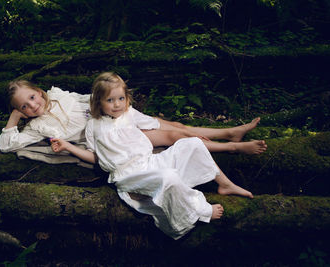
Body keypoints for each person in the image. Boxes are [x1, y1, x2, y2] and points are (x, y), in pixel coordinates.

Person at [50, 72, 253, 239]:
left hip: (149, 161)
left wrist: (189, 133)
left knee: (193, 144)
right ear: (99, 103)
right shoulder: (94, 125)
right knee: (168, 178)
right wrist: (67, 145)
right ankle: (200, 211)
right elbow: (95, 157)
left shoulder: (130, 114)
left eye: (121, 98)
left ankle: (225, 184)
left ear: (127, 98)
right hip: (127, 175)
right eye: (109, 100)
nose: (117, 104)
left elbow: (157, 124)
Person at [0, 80, 267, 154]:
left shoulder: (58, 94)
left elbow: (89, 101)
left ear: (38, 91)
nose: (32, 105)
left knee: (177, 125)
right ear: (21, 112)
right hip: (111, 134)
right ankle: (233, 147)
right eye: (23, 107)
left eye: (32, 97)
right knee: (175, 135)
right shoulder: (36, 127)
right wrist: (13, 119)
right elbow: (6, 144)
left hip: (116, 115)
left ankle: (230, 132)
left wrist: (115, 106)